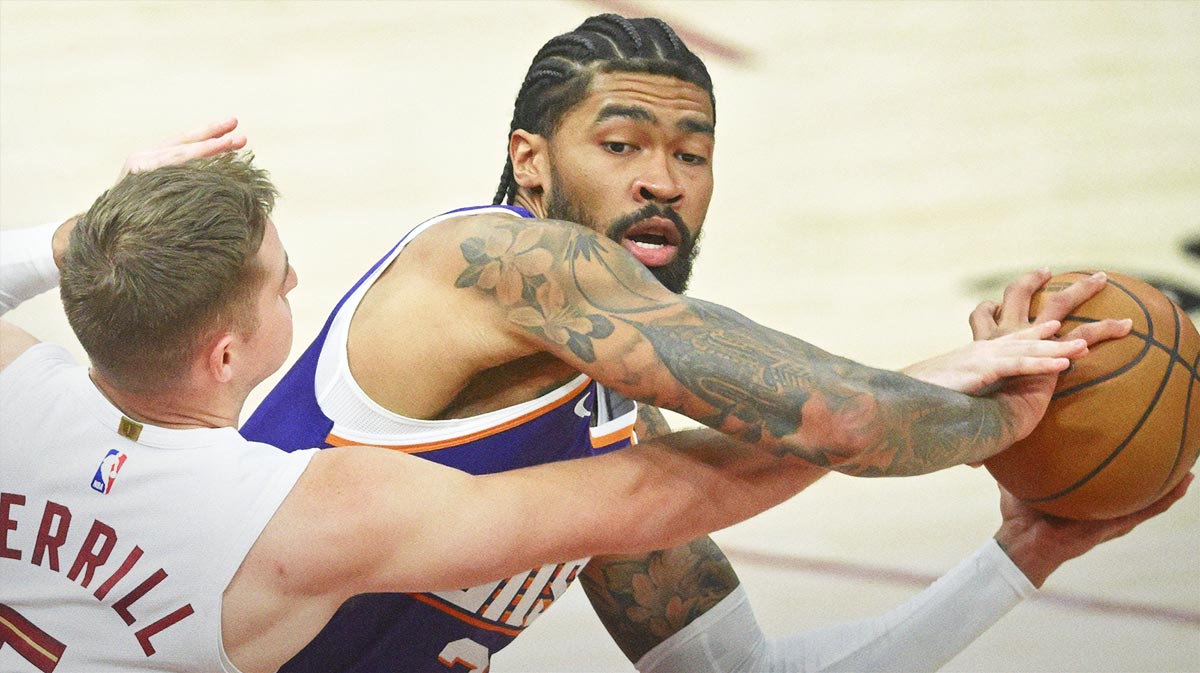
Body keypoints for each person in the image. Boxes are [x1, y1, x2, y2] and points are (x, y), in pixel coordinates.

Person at [240, 13, 1189, 673]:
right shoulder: (492, 260)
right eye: (621, 146)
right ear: (530, 160)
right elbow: (843, 419)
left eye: (691, 154)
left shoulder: (616, 433)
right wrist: (1001, 404)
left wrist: (1018, 557)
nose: (664, 181)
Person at [0, 121, 879, 673]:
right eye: (279, 284)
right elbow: (644, 495)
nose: (298, 278)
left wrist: (95, 240)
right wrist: (877, 407)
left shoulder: (18, 406)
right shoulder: (290, 519)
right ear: (226, 353)